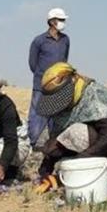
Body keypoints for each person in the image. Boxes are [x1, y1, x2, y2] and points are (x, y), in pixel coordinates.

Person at [34, 62, 107, 192]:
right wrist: (45, 170)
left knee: (75, 133)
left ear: (72, 81)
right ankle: (89, 179)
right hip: (94, 152)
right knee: (59, 143)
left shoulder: (95, 94)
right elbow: (57, 142)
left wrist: (80, 161)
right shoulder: (63, 108)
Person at [28, 8, 70, 148]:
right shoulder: (39, 41)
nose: (63, 23)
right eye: (61, 20)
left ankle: (53, 145)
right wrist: (44, 77)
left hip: (59, 85)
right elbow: (33, 63)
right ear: (52, 22)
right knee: (37, 115)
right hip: (41, 86)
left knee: (56, 116)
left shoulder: (65, 40)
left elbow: (64, 60)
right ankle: (31, 143)